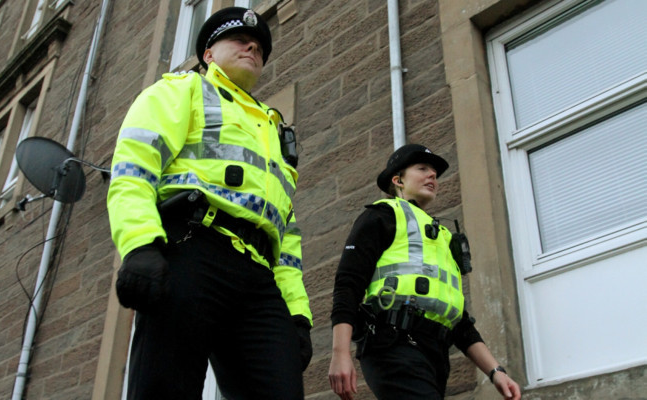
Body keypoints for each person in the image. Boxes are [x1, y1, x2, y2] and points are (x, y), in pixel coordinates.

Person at [107, 7, 312, 400]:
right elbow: (134, 167)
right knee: (165, 387)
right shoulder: (181, 90)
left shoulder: (273, 130)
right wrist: (140, 245)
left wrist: (298, 313)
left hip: (259, 276)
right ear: (208, 54)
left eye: (260, 47)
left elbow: (285, 232)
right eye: (239, 39)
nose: (252, 46)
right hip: (192, 248)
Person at [328, 144, 521, 400]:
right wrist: (339, 353)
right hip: (392, 345)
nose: (432, 175)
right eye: (422, 169)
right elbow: (348, 285)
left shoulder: (442, 237)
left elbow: (460, 321)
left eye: (435, 173)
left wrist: (496, 372)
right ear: (398, 180)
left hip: (435, 356)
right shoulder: (381, 216)